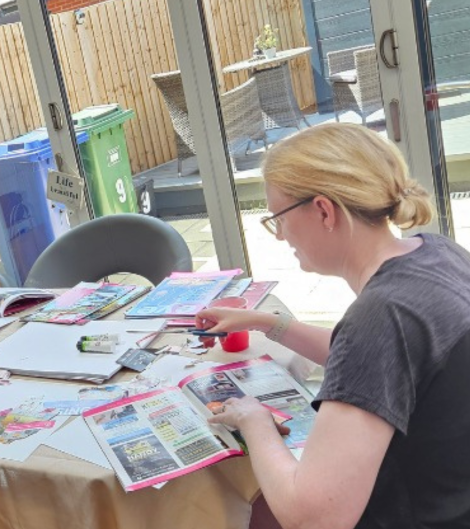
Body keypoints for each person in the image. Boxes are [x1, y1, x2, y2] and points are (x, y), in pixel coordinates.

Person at [195, 122, 470, 528]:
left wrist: (253, 420)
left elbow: (313, 518)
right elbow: (382, 365)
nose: (280, 236)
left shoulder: (382, 316)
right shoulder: (436, 253)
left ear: (323, 210)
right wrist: (267, 322)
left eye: (278, 218)